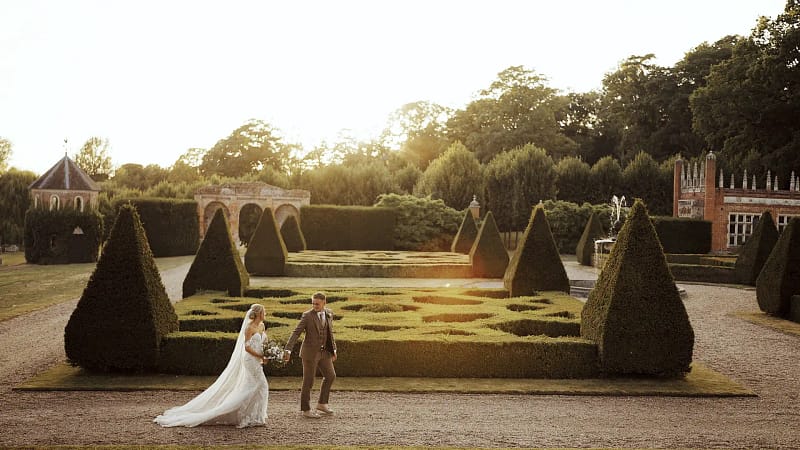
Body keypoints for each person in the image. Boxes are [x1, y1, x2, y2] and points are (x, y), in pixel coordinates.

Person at [154, 304, 270, 428]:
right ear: (258, 314)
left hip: (257, 360)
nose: (265, 314)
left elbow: (262, 343)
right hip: (250, 360)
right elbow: (246, 347)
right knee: (260, 385)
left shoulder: (261, 326)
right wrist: (260, 356)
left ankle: (254, 416)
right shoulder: (249, 327)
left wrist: (267, 353)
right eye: (264, 312)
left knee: (256, 386)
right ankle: (243, 414)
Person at [284, 291, 337, 418]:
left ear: (324, 302)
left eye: (317, 304)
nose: (314, 306)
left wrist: (333, 349)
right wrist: (288, 349)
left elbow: (330, 333)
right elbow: (296, 332)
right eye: (313, 303)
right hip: (310, 353)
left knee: (330, 376)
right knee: (309, 381)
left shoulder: (329, 313)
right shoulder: (307, 316)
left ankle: (322, 403)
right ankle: (306, 409)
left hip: (325, 352)